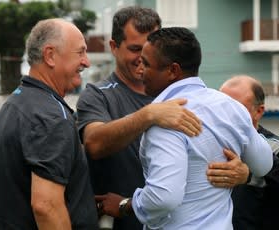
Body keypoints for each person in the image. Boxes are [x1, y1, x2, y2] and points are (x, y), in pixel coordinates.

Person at [77, 6, 249, 229]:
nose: (143, 57)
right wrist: (148, 115)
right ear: (113, 47)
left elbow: (233, 147)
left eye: (150, 47)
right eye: (135, 49)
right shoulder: (98, 95)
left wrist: (243, 173)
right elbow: (94, 143)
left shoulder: (192, 95)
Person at [0, 18, 98, 229]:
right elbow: (46, 206)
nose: (86, 62)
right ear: (50, 55)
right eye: (80, 52)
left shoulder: (15, 103)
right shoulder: (51, 116)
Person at [219, 75, 279, 230]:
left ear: (258, 111)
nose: (226, 115)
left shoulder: (274, 147)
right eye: (220, 106)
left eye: (236, 108)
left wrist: (249, 177)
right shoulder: (205, 144)